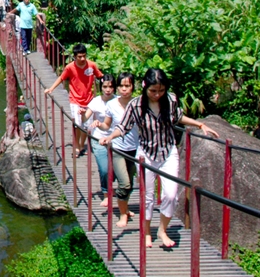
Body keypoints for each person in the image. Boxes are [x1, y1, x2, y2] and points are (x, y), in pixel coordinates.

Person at [101, 68, 219, 248]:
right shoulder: (136, 105)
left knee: (171, 195)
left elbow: (179, 117)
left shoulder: (170, 100)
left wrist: (200, 124)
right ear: (145, 87)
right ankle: (147, 231)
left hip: (168, 152)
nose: (157, 94)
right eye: (153, 91)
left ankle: (162, 230)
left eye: (161, 90)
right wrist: (110, 137)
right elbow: (123, 126)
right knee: (147, 197)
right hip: (146, 154)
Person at [44, 43, 102, 157]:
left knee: (86, 126)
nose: (82, 59)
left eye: (84, 56)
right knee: (77, 125)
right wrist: (51, 89)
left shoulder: (92, 65)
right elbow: (61, 78)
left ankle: (81, 145)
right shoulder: (70, 67)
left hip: (89, 100)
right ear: (75, 56)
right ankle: (76, 146)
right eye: (79, 57)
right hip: (75, 100)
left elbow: (101, 76)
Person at [98, 72, 139, 228]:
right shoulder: (112, 105)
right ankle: (122, 215)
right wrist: (99, 126)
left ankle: (125, 208)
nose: (124, 89)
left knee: (130, 182)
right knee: (125, 184)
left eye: (127, 86)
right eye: (121, 86)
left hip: (135, 149)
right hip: (118, 149)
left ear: (132, 87)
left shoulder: (138, 104)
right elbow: (107, 125)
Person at [83, 74, 116, 207]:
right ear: (100, 87)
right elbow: (85, 119)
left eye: (111, 87)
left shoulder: (119, 101)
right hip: (98, 138)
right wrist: (82, 114)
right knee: (104, 168)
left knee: (115, 169)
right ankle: (106, 194)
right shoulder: (96, 101)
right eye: (105, 87)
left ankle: (113, 187)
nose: (108, 90)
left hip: (116, 139)